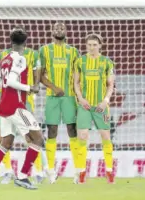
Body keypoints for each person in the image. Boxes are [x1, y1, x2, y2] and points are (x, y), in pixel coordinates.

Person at [0, 27, 43, 190]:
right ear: (25, 44)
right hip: (15, 106)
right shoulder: (20, 59)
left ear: (11, 42)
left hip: (4, 106)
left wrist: (7, 88)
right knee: (38, 139)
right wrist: (29, 88)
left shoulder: (5, 59)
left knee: (6, 142)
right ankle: (22, 176)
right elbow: (12, 81)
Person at [0, 26, 48, 184]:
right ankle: (11, 172)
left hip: (22, 102)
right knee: (13, 138)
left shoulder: (33, 54)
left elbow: (37, 71)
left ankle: (37, 171)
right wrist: (32, 87)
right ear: (25, 41)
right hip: (15, 102)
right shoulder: (5, 55)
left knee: (27, 138)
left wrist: (32, 87)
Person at [38, 22, 81, 184]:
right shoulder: (44, 50)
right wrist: (54, 87)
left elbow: (79, 75)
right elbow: (40, 75)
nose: (59, 30)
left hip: (70, 97)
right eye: (56, 28)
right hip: (52, 97)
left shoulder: (74, 51)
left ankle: (78, 170)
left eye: (62, 28)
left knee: (72, 129)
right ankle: (50, 169)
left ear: (66, 31)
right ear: (51, 31)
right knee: (52, 131)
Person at [73, 34, 115, 184]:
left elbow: (110, 85)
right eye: (89, 45)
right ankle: (82, 172)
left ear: (100, 45)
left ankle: (109, 171)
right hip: (85, 106)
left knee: (106, 137)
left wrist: (105, 101)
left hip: (101, 107)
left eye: (94, 45)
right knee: (82, 136)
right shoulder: (80, 61)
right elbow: (76, 83)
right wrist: (80, 98)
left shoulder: (107, 62)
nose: (91, 47)